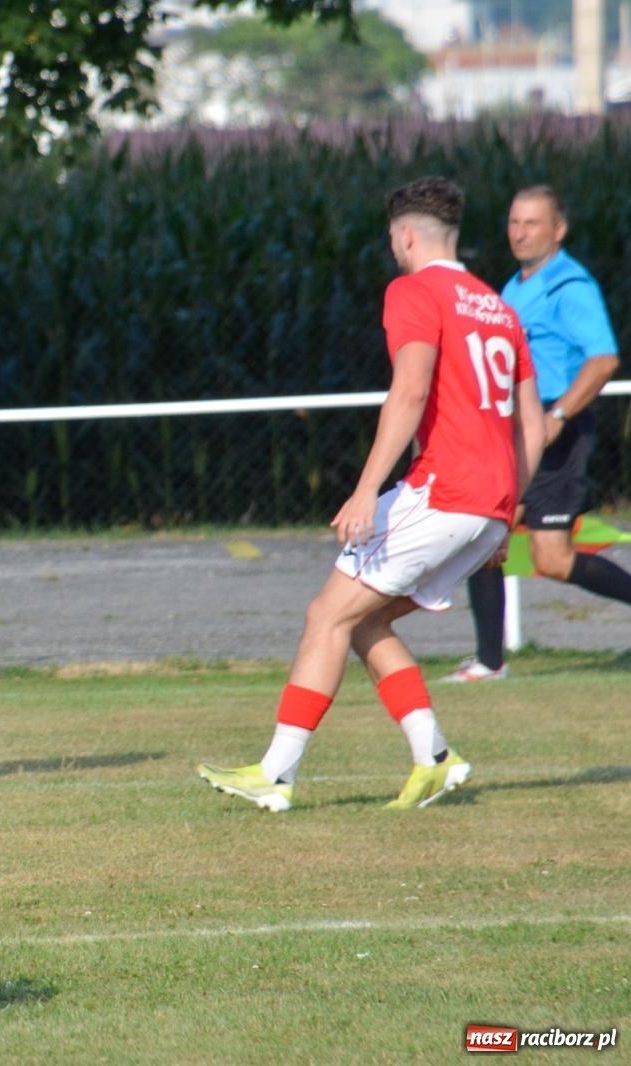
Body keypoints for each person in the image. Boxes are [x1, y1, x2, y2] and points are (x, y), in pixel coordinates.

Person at [197, 176, 545, 812]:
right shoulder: (497, 306)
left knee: (326, 616)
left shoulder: (414, 290)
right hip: (487, 505)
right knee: (364, 622)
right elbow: (530, 424)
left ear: (406, 236)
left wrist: (364, 491)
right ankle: (434, 758)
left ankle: (275, 774)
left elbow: (409, 392)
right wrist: (507, 513)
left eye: (393, 239)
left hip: (443, 491)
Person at [443, 186, 626, 682]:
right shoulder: (517, 284)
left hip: (553, 432)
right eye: (513, 223)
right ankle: (489, 661)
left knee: (543, 554)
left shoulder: (570, 286)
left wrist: (558, 415)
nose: (519, 234)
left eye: (531, 223)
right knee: (498, 538)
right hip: (518, 426)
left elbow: (604, 358)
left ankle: (488, 661)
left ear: (557, 230)